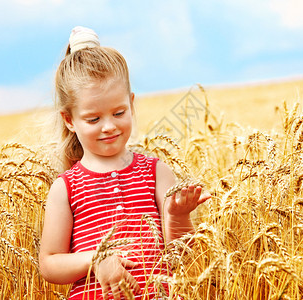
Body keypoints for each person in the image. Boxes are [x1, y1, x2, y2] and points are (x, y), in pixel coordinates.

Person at [39, 26, 210, 300]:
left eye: (119, 112)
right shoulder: (65, 188)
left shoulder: (156, 172)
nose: (109, 126)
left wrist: (178, 216)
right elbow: (49, 264)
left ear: (131, 104)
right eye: (93, 119)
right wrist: (95, 259)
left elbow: (182, 255)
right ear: (69, 120)